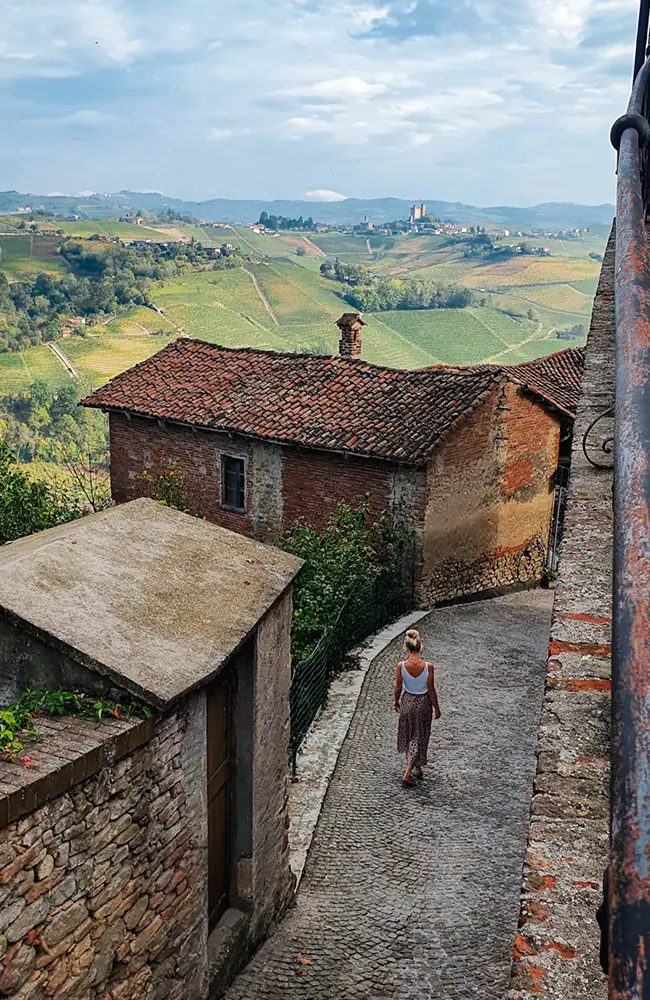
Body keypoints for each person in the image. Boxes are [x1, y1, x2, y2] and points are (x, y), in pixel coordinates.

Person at [394, 628, 441, 787]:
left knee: (410, 735)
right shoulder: (428, 667)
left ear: (407, 649)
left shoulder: (401, 666)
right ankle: (407, 773)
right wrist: (436, 707)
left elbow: (398, 687)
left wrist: (396, 701)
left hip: (407, 702)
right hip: (423, 704)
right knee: (419, 737)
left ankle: (417, 767)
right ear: (420, 647)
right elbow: (431, 689)